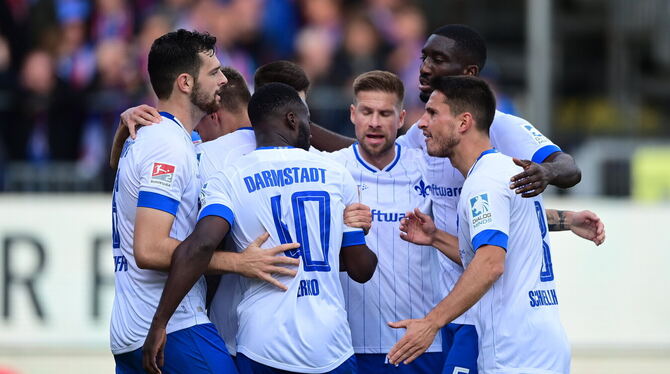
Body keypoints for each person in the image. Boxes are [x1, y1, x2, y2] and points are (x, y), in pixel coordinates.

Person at [308, 24, 587, 374]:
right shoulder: (452, 151)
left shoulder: (496, 149)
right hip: (470, 316)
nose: (424, 67)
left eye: (437, 59)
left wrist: (546, 173)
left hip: (494, 325)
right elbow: (363, 148)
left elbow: (567, 169)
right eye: (424, 57)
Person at [142, 83, 378, 374]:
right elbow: (361, 269)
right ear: (292, 119)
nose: (310, 129)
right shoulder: (336, 174)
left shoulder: (229, 178)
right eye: (306, 119)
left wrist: (160, 323)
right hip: (332, 347)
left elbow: (201, 246)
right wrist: (353, 235)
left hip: (264, 347)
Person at [111, 30, 298, 374]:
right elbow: (149, 249)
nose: (224, 80)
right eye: (213, 72)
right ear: (185, 82)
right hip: (175, 329)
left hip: (136, 327)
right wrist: (239, 262)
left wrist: (122, 131)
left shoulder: (163, 137)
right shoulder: (167, 145)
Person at [387, 76, 572, 373]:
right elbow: (498, 255)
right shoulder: (509, 170)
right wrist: (436, 237)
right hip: (542, 345)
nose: (422, 123)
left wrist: (431, 322)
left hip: (513, 354)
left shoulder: (484, 182)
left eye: (433, 113)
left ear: (463, 123)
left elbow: (490, 264)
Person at [315, 70, 444, 373]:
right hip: (347, 343)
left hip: (418, 342)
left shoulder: (430, 168)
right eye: (367, 112)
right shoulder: (328, 170)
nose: (374, 122)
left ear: (401, 119)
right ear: (352, 115)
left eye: (385, 113)